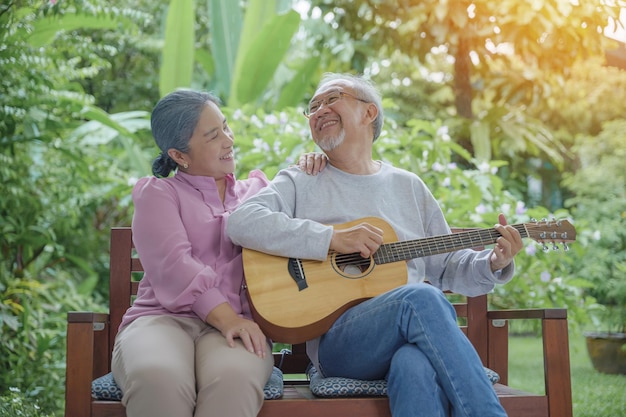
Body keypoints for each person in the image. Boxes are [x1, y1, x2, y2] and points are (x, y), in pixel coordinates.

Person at [226, 73, 524, 416]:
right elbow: (243, 221)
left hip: (407, 339)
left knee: (414, 365)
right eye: (313, 106)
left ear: (370, 113)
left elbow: (448, 266)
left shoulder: (408, 186)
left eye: (332, 98)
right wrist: (331, 238)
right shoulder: (301, 179)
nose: (320, 109)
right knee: (422, 297)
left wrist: (492, 263)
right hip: (340, 344)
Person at [110, 89, 325, 417]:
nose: (228, 140)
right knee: (159, 379)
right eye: (213, 135)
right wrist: (226, 319)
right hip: (162, 321)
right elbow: (174, 265)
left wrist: (314, 169)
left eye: (225, 127)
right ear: (180, 155)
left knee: (233, 379)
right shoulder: (158, 194)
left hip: (242, 326)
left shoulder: (258, 193)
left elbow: (307, 229)